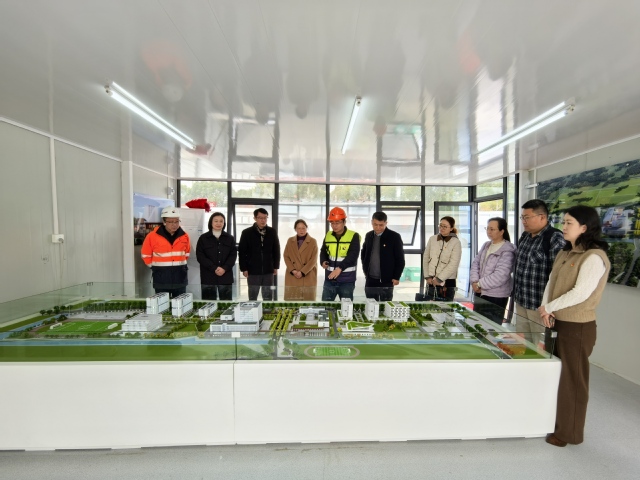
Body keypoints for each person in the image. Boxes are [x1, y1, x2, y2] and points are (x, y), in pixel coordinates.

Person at [537, 206, 610, 447]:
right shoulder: (565, 252)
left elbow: (581, 293)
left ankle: (569, 434)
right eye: (564, 222)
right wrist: (546, 308)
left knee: (572, 382)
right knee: (554, 375)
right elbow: (551, 282)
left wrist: (550, 307)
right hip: (555, 321)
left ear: (584, 227)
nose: (564, 227)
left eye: (569, 223)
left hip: (576, 327)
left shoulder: (594, 257)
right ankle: (552, 422)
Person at [513, 199, 565, 340]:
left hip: (540, 307)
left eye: (527, 217)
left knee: (539, 346)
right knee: (522, 344)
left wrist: (549, 307)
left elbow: (558, 275)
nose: (523, 221)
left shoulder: (554, 238)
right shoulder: (525, 236)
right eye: (522, 217)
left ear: (542, 217)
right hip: (521, 301)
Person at [470, 217, 516, 324]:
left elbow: (501, 275)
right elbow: (475, 264)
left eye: (492, 229)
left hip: (496, 296)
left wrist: (480, 284)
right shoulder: (486, 245)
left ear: (502, 231)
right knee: (477, 324)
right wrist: (474, 282)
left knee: (491, 327)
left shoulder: (508, 250)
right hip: (480, 292)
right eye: (487, 228)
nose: (488, 232)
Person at [141, 206, 190, 297]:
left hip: (180, 277)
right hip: (161, 278)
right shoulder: (152, 236)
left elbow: (186, 254)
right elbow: (145, 255)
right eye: (170, 222)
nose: (174, 224)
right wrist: (156, 268)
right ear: (164, 221)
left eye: (176, 221)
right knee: (162, 304)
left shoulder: (184, 236)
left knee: (180, 303)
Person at [361, 211, 405, 301]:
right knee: (371, 305)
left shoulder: (394, 237)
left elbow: (400, 259)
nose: (378, 227)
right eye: (375, 224)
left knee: (385, 305)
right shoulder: (369, 235)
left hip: (387, 280)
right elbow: (364, 253)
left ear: (386, 223)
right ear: (371, 222)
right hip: (370, 280)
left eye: (381, 225)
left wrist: (396, 277)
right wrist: (365, 269)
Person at [238, 208, 281, 301]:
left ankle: (267, 310)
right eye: (260, 218)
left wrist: (276, 266)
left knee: (268, 297)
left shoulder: (272, 232)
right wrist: (244, 268)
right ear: (255, 218)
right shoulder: (247, 233)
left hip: (268, 270)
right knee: (252, 297)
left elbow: (276, 250)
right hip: (252, 270)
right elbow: (242, 252)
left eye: (265, 218)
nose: (263, 220)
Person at [320, 207, 361, 301]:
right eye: (332, 223)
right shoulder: (328, 235)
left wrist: (340, 268)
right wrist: (323, 261)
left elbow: (353, 256)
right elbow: (323, 251)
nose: (334, 226)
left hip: (347, 281)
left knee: (346, 307)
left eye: (337, 223)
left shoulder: (353, 236)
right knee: (326, 306)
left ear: (344, 222)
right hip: (329, 279)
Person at [196, 212, 237, 301]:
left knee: (226, 303)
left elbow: (233, 256)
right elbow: (200, 256)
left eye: (221, 221)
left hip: (225, 276)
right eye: (216, 221)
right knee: (208, 303)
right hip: (208, 276)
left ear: (224, 223)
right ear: (211, 222)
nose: (218, 223)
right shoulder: (203, 238)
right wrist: (214, 268)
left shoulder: (230, 238)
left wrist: (224, 268)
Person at [423, 216, 461, 301]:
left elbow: (453, 264)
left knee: (445, 307)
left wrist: (439, 279)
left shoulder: (456, 242)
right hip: (431, 280)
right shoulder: (432, 239)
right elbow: (426, 258)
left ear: (451, 228)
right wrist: (427, 276)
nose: (442, 228)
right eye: (440, 225)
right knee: (429, 306)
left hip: (447, 281)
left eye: (445, 226)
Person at [283, 219, 319, 301]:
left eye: (303, 228)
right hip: (293, 274)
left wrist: (302, 272)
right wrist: (293, 270)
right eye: (299, 228)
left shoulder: (313, 241)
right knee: (292, 301)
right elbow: (286, 256)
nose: (301, 230)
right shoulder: (290, 240)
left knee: (307, 301)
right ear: (295, 229)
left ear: (306, 228)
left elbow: (313, 259)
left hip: (307, 274)